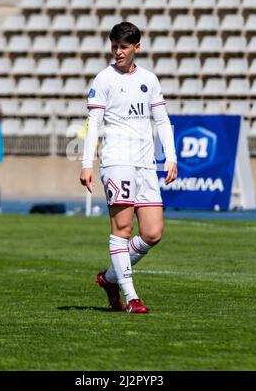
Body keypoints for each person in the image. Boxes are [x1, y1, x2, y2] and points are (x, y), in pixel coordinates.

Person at [80, 22, 177, 314]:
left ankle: (109, 278)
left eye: (123, 47)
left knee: (153, 233)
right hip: (116, 161)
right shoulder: (104, 79)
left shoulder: (150, 79)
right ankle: (132, 297)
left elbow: (161, 121)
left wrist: (170, 157)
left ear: (137, 46)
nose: (118, 52)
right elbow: (93, 124)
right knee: (122, 229)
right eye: (114, 47)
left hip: (146, 165)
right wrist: (87, 163)